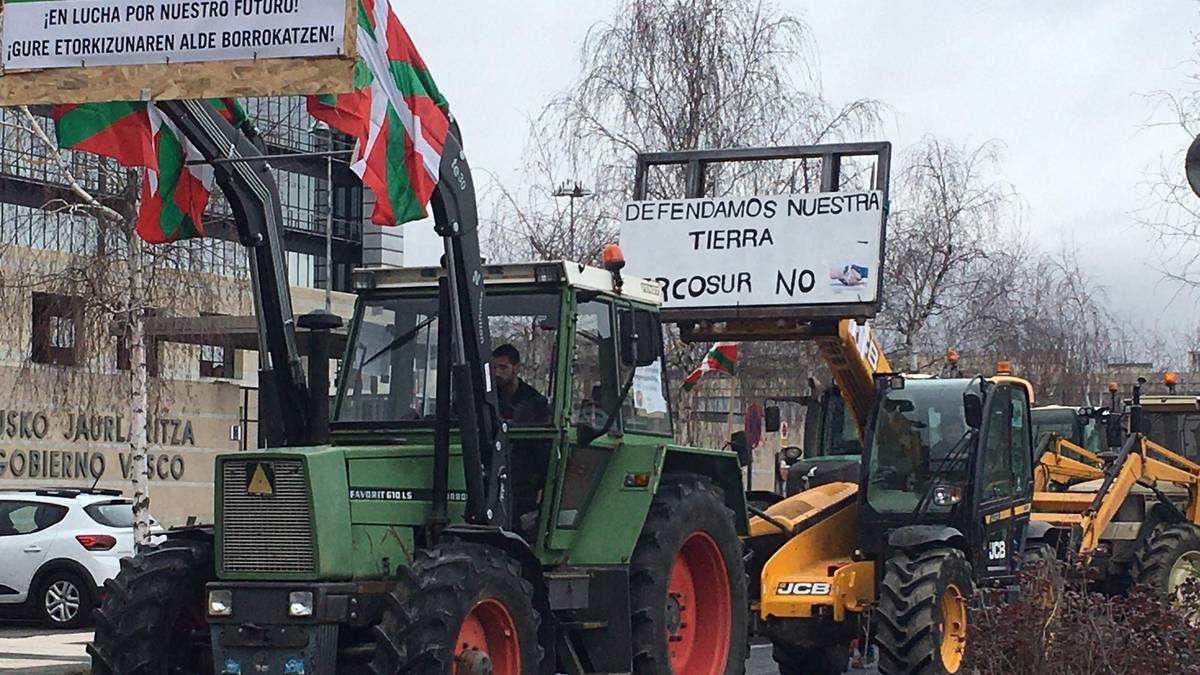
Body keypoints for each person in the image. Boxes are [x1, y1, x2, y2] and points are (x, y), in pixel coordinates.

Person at [491, 344, 550, 425]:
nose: (497, 373)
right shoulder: (489, 399)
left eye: (503, 367)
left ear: (516, 368)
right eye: (493, 368)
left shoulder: (535, 402)